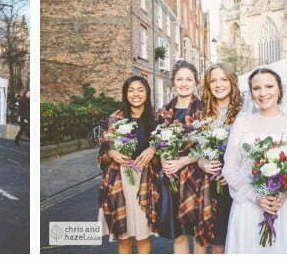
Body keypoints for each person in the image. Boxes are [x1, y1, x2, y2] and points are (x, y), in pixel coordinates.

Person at [221, 67, 287, 253]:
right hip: (249, 206)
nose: (263, 93)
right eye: (256, 88)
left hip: (285, 208)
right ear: (251, 93)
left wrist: (284, 194)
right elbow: (230, 168)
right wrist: (256, 196)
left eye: (269, 86)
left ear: (279, 89)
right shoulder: (243, 122)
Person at [150, 61, 211, 253]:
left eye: (188, 79)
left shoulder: (205, 110)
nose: (184, 83)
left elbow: (210, 146)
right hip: (172, 179)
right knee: (179, 233)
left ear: (196, 82)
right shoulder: (164, 112)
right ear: (173, 82)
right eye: (179, 79)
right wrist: (164, 161)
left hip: (198, 178)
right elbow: (158, 143)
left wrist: (183, 161)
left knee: (199, 233)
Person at [97, 76, 159, 254]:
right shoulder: (114, 119)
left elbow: (164, 155)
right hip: (119, 182)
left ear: (147, 93)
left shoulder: (155, 121)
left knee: (143, 238)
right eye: (131, 90)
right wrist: (111, 153)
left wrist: (153, 149)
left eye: (140, 90)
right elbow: (102, 151)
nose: (136, 94)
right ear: (125, 94)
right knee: (123, 239)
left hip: (144, 183)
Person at [197, 62, 244, 253]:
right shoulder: (202, 112)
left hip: (237, 183)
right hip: (211, 184)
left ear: (232, 82)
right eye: (213, 81)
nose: (218, 84)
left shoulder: (245, 111)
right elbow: (194, 149)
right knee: (218, 240)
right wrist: (201, 162)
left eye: (223, 79)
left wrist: (235, 172)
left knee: (239, 237)